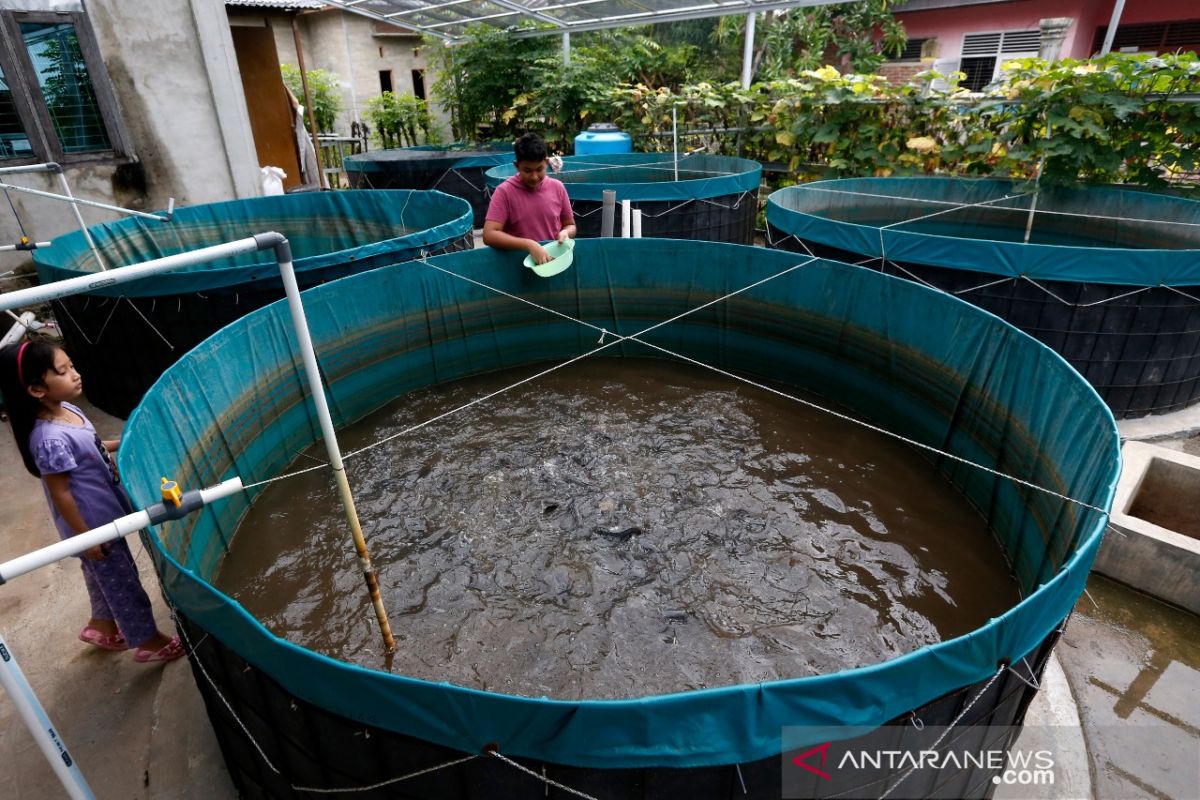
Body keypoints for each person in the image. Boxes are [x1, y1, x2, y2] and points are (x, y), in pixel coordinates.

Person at [0, 341, 184, 663]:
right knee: (123, 582)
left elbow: (93, 446)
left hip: (101, 513)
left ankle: (101, 626)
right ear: (35, 389)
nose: (75, 375)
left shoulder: (68, 410)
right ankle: (147, 641)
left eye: (72, 366)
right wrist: (87, 537)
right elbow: (61, 492)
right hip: (92, 525)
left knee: (103, 575)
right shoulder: (49, 439)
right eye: (62, 371)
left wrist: (123, 440)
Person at [483, 133, 576, 265]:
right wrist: (528, 244)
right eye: (527, 170)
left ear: (546, 162)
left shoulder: (557, 187)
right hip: (518, 265)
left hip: (553, 261)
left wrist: (566, 232)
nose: (534, 176)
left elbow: (570, 225)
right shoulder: (504, 192)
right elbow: (489, 234)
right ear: (517, 166)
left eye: (539, 169)